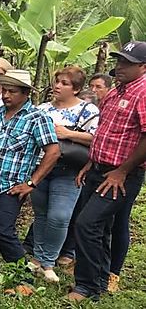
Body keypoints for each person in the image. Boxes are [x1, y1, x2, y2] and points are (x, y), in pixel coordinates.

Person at [69, 41, 146, 302]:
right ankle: (99, 282)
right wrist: (91, 162)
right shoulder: (115, 92)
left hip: (121, 175)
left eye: (127, 62)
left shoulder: (143, 92)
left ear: (143, 67)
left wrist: (122, 171)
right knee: (99, 228)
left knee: (87, 224)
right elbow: (103, 133)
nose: (120, 66)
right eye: (119, 60)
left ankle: (85, 286)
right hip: (99, 168)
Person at [0, 69, 60, 276]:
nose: (6, 95)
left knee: (2, 229)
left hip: (12, 185)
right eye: (5, 90)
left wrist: (32, 183)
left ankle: (22, 275)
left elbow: (53, 152)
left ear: (26, 93)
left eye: (13, 91)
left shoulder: (37, 118)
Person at [29, 66, 99, 283]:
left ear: (76, 89)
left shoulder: (88, 111)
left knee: (59, 216)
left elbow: (97, 138)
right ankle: (38, 259)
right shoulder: (41, 109)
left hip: (68, 170)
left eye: (64, 83)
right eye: (57, 81)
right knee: (41, 215)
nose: (57, 86)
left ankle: (49, 261)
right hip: (41, 168)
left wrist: (68, 133)